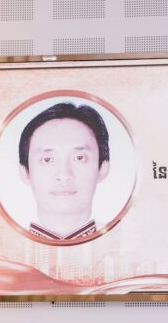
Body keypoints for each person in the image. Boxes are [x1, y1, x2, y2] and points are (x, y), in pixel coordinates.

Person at [17, 101, 110, 242]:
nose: (64, 175)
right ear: (25, 172)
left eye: (79, 158)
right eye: (47, 160)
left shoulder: (129, 243)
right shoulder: (1, 245)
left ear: (102, 168)